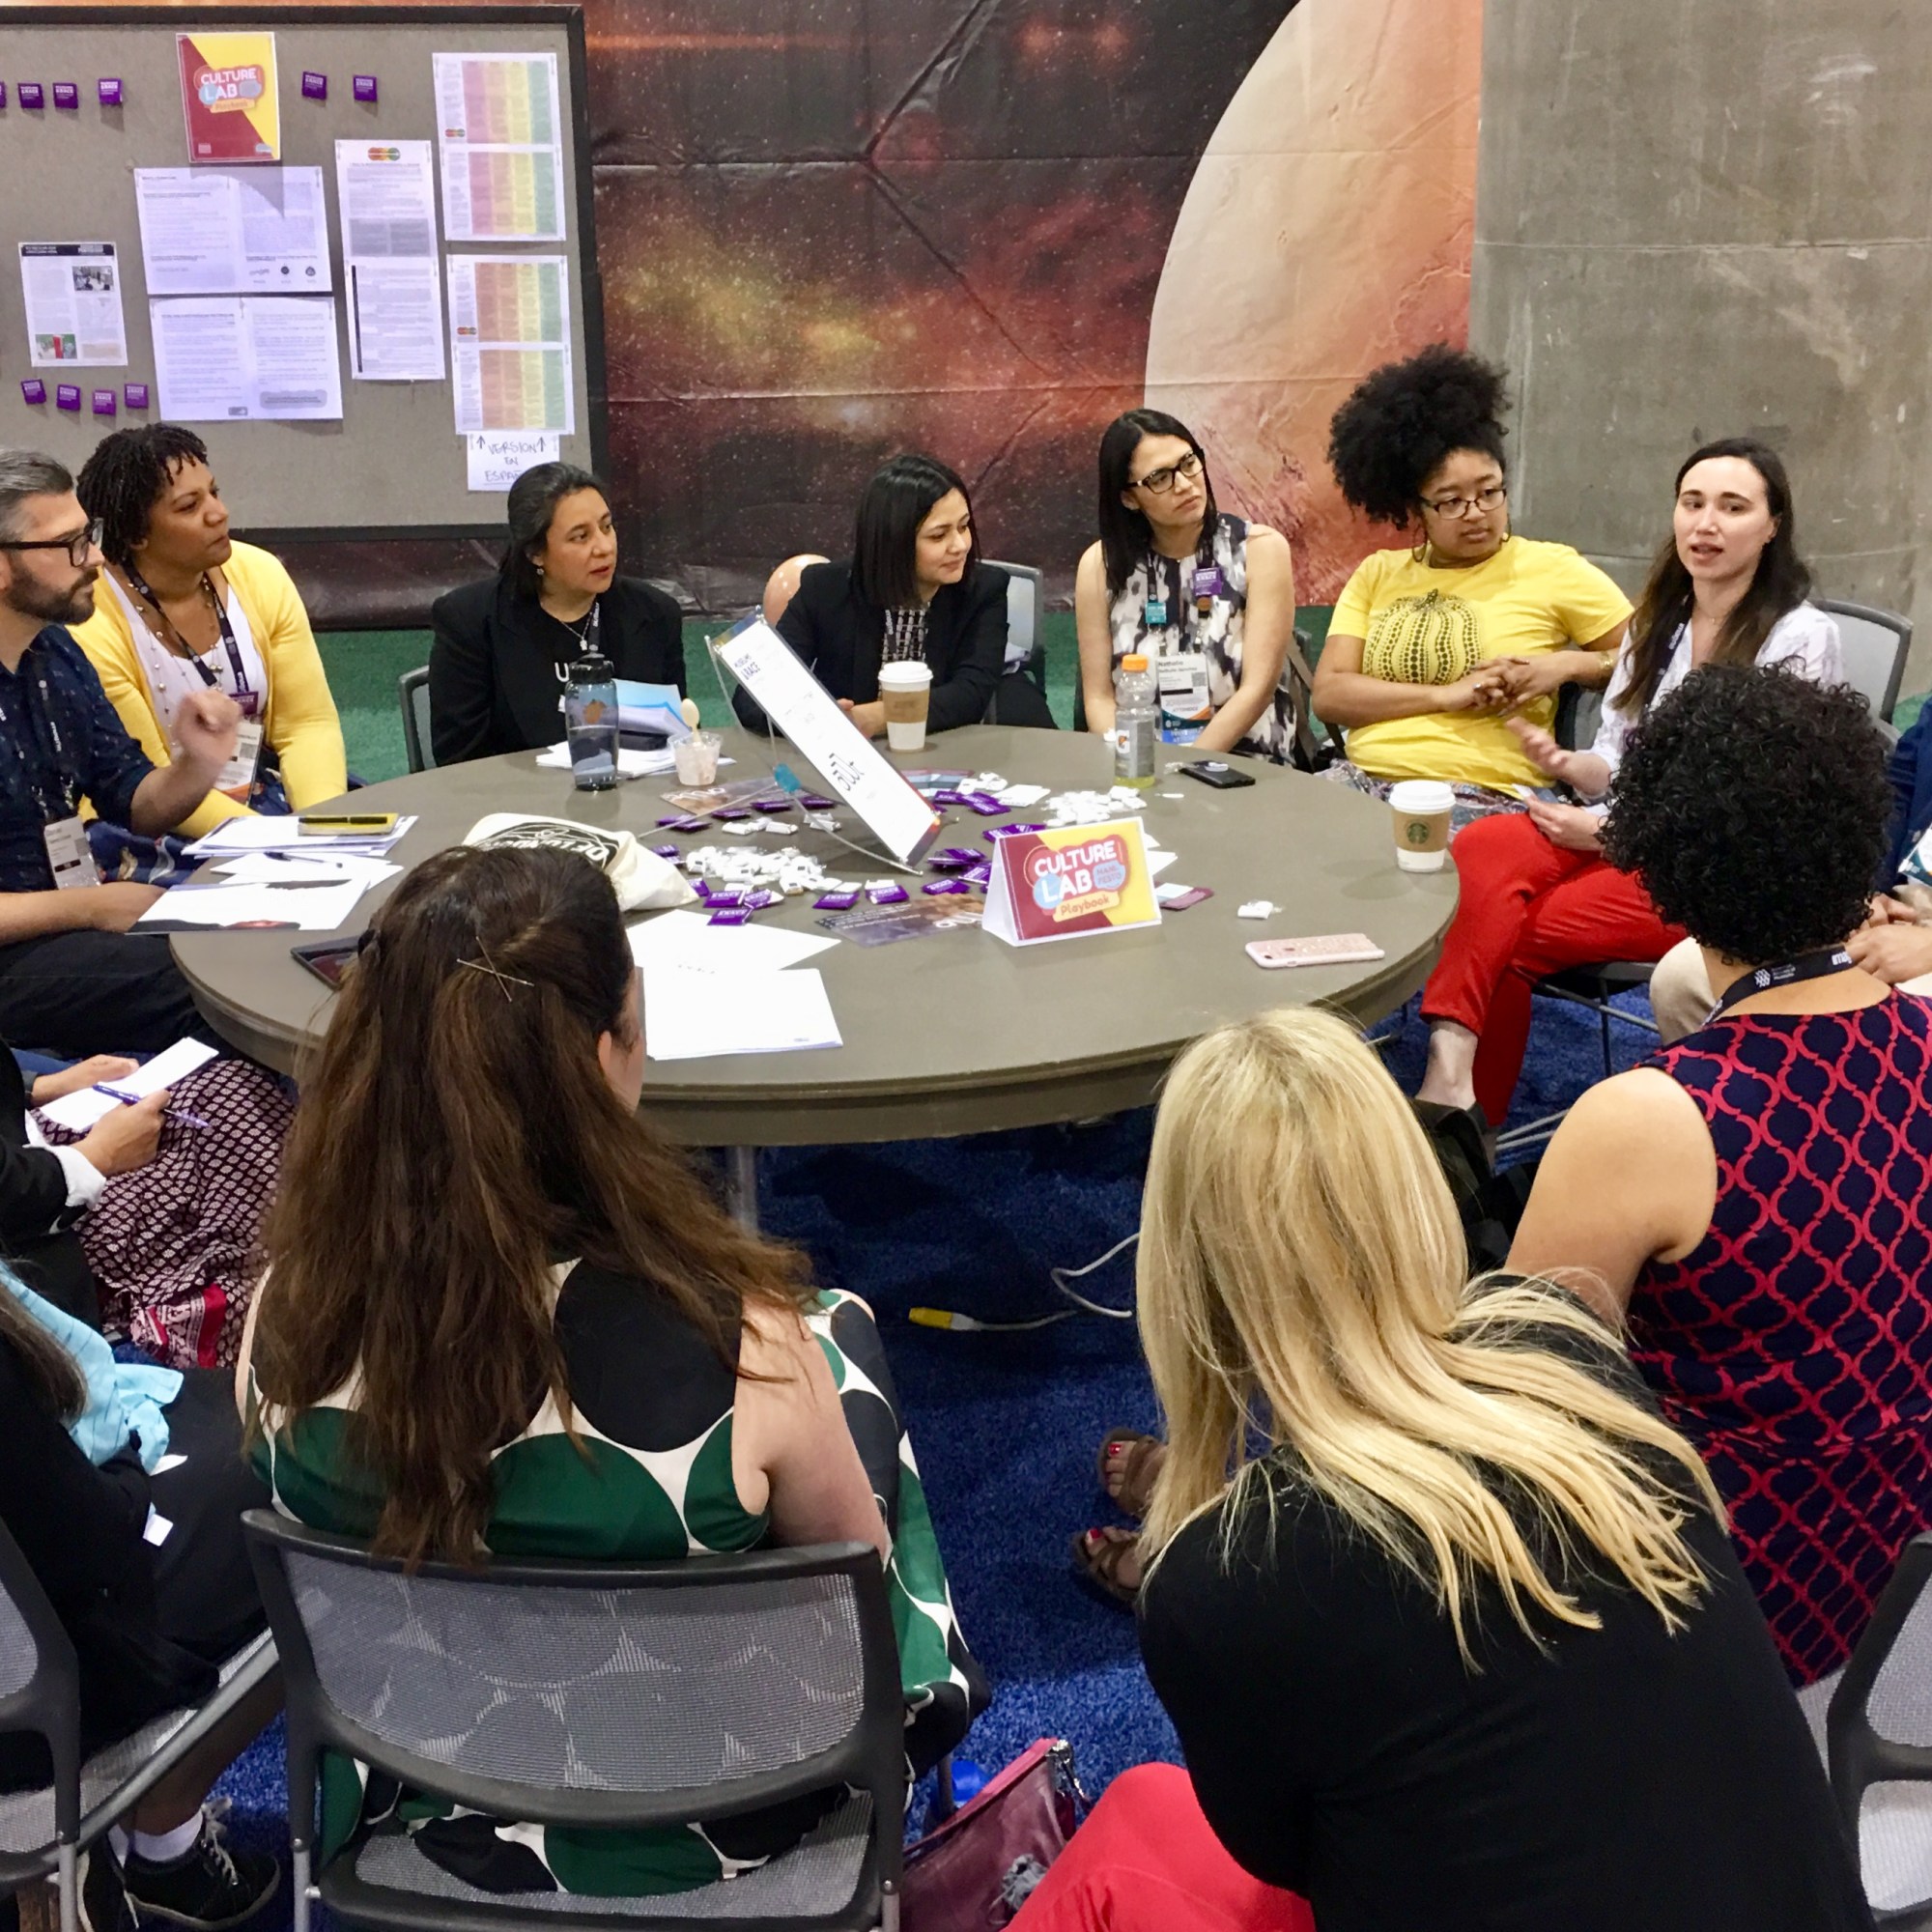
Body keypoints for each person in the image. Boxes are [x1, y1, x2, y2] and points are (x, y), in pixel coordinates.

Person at [243, 843, 985, 1898]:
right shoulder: (746, 1347)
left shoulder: (285, 1323)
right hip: (718, 1814)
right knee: (843, 1346)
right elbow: (848, 1606)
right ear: (607, 1051)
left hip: (423, 1783)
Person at [1065, 1007, 1871, 1932]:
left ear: (1186, 1277)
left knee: (1130, 1831)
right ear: (1413, 1186)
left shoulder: (1218, 1580)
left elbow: (1284, 1859)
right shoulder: (1565, 1349)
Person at [1509, 666, 1932, 1689]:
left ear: (1658, 866)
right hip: (1884, 1583)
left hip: (1702, 1599)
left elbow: (1511, 1408)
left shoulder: (1650, 1117)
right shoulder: (1922, 1037)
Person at [1414, 439, 1842, 1122]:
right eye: (1692, 503)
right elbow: (1614, 755)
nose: (1705, 525)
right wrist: (1567, 765)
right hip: (1621, 826)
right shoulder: (1654, 624)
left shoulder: (1798, 635)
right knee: (1486, 846)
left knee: (1505, 935)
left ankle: (1470, 1122)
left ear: (1773, 526)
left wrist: (1611, 829)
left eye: (1733, 508)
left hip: (1707, 865)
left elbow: (1754, 797)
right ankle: (1451, 1075)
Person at [0, 1274, 279, 1932]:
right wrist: (122, 1462)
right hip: (38, 1724)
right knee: (284, 1503)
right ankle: (165, 1843)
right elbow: (93, 1544)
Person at [1314, 345, 1632, 811]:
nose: (1476, 514)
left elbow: (1655, 654)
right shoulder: (1378, 573)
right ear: (1413, 508)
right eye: (1450, 501)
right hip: (1360, 781)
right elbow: (1331, 694)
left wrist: (1565, 667)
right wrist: (1444, 696)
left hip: (1482, 793)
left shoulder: (1551, 567)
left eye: (1489, 492)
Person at [0, 450, 241, 1057]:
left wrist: (198, 762)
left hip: (75, 919)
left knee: (259, 940)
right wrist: (93, 905)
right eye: (72, 544)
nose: (98, 558)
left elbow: (137, 803)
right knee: (214, 988)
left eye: (93, 536)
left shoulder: (56, 653)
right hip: (17, 957)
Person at [71, 425, 347, 856]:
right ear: (135, 534)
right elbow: (147, 780)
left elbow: (306, 725)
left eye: (214, 493)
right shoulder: (92, 619)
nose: (219, 513)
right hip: (155, 823)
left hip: (262, 798)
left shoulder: (260, 573)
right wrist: (277, 846)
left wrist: (322, 830)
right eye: (189, 506)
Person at [1651, 691, 1932, 1037]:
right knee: (1682, 977)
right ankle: (1732, 1087)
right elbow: (1895, 794)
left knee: (1901, 1014)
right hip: (1900, 904)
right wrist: (1863, 891)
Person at [744, 453, 1050, 735]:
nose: (960, 545)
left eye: (964, 526)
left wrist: (870, 718)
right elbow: (752, 696)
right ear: (893, 542)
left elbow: (969, 695)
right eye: (938, 535)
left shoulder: (983, 590)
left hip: (945, 751)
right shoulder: (823, 589)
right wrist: (820, 720)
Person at [1075, 409, 1306, 764]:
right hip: (1140, 764)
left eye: (1188, 463)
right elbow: (1099, 699)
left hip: (1246, 762)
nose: (1184, 484)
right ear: (1128, 497)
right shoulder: (1100, 566)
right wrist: (1131, 764)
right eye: (1159, 478)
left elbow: (1257, 690)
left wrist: (1185, 766)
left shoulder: (1260, 549)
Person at [428, 463, 686, 765]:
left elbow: (679, 740)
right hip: (520, 804)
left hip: (636, 801)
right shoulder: (469, 621)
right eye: (581, 537)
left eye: (606, 527)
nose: (604, 547)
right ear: (535, 552)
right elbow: (460, 762)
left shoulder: (655, 614)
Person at [0, 1046, 168, 1326]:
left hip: (33, 1146)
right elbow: (12, 1193)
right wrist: (101, 1153)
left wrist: (35, 1087)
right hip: (33, 1231)